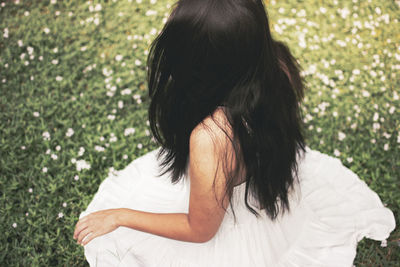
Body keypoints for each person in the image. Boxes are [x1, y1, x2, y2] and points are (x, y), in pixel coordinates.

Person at [73, 0, 396, 266]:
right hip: (257, 186)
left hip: (229, 231)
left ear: (198, 62)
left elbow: (201, 229)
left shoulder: (211, 139)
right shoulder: (275, 63)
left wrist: (121, 215)